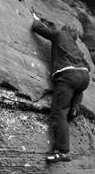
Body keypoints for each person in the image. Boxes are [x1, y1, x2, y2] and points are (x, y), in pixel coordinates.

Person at [31, 11, 90, 163]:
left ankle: (63, 151)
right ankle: (75, 107)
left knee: (59, 112)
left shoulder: (60, 35)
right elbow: (87, 67)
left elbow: (38, 28)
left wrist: (36, 19)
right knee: (78, 87)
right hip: (84, 77)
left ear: (65, 30)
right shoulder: (76, 48)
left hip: (68, 76)